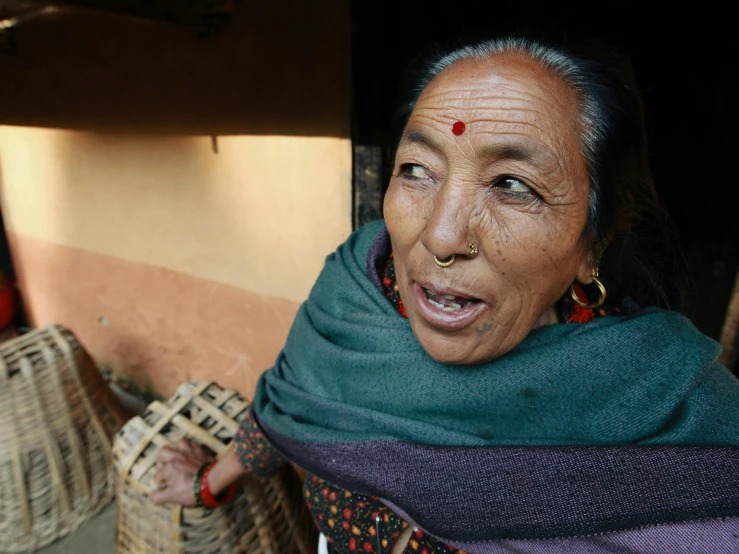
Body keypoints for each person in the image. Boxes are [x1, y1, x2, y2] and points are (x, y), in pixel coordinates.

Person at [150, 36, 739, 553]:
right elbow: (293, 400)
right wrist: (208, 483)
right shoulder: (354, 295)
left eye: (512, 185)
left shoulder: (666, 407)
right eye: (417, 170)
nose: (439, 235)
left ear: (594, 242)